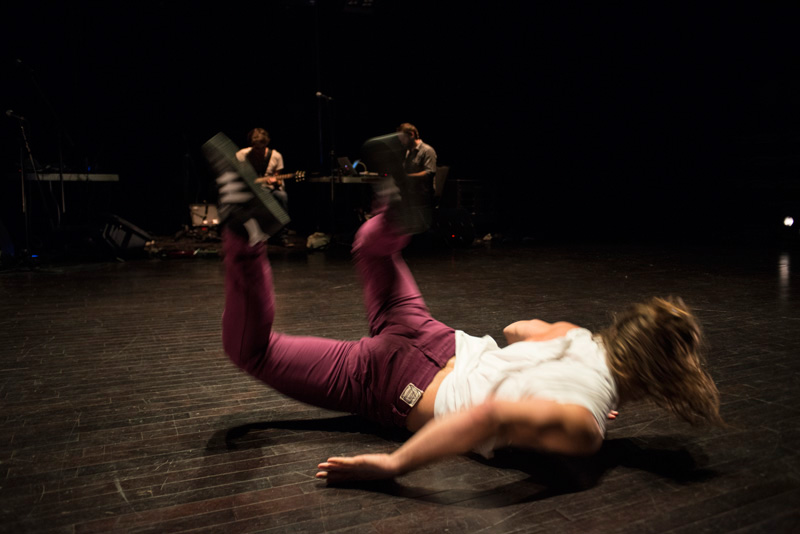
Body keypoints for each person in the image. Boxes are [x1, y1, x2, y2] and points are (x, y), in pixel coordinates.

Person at [204, 132, 723, 484]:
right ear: (657, 381)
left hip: (433, 334)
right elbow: (491, 414)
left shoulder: (575, 335)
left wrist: (568, 381)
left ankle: (393, 214)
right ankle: (245, 237)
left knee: (371, 249)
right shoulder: (585, 425)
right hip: (400, 385)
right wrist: (394, 466)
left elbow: (516, 329)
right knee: (255, 353)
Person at [235, 128, 292, 246]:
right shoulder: (242, 155)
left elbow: (278, 179)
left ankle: (281, 235)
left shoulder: (276, 156)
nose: (259, 151)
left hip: (268, 189)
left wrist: (275, 181)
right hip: (250, 190)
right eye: (256, 148)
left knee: (282, 196)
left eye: (262, 147)